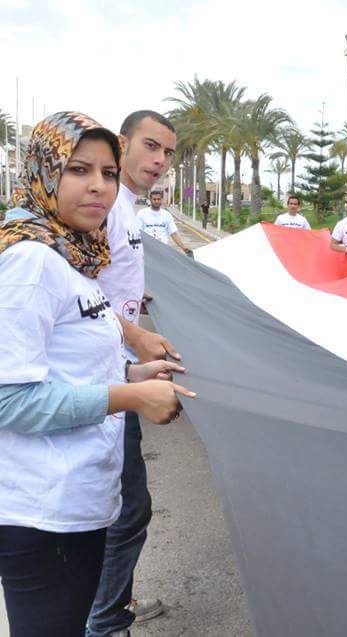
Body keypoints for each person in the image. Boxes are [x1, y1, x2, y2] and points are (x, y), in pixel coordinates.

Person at [0, 111, 193, 637]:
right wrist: (129, 396)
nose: (99, 186)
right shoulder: (31, 262)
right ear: (44, 172)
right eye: (78, 169)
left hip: (75, 506)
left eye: (108, 173)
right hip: (42, 514)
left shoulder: (73, 253)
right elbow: (9, 401)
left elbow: (70, 363)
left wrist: (133, 370)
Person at [89, 109, 182, 637]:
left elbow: (109, 280)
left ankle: (110, 604)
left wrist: (135, 302)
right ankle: (105, 621)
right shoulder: (108, 207)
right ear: (122, 144)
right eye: (151, 146)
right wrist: (136, 334)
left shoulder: (128, 208)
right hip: (106, 374)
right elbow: (83, 291)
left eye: (168, 152)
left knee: (121, 505)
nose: (160, 160)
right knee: (126, 510)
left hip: (119, 368)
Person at [137, 190, 192, 256]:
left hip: (163, 250)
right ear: (150, 200)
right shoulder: (141, 214)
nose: (156, 201)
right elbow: (138, 233)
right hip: (147, 250)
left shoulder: (167, 215)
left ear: (161, 200)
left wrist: (183, 247)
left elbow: (173, 233)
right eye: (154, 199)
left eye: (158, 199)